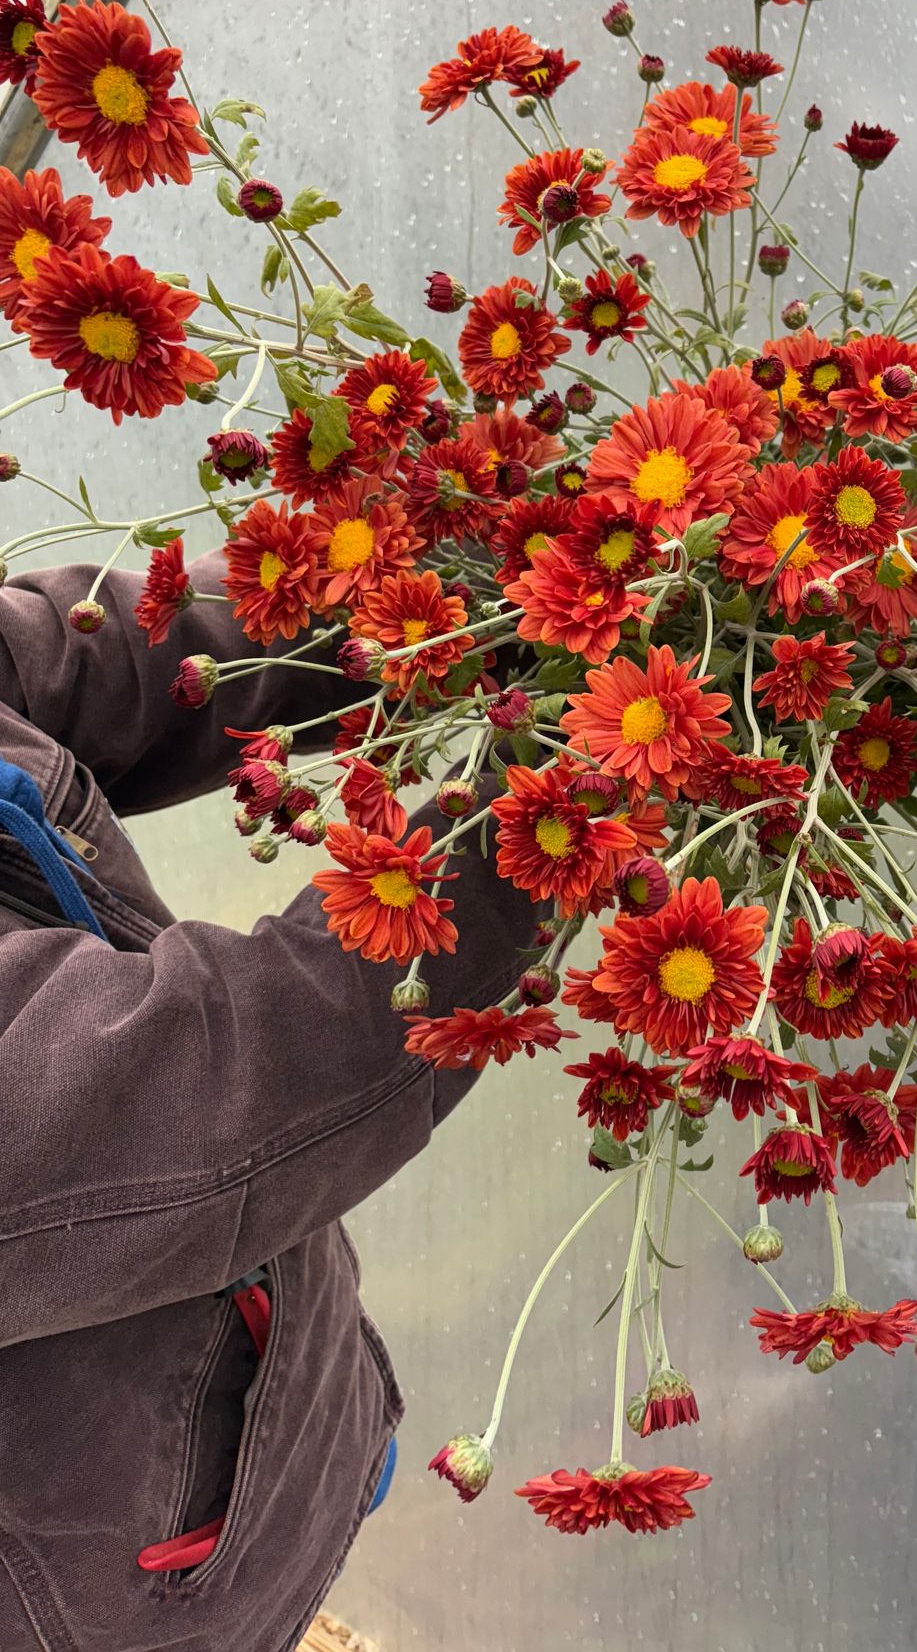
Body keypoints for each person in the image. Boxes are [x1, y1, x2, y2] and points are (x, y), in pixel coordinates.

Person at [0, 549, 535, 1652]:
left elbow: (93, 653)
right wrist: (550, 804)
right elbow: (220, 1077)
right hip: (115, 1587)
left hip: (241, 1427)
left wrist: (450, 601)